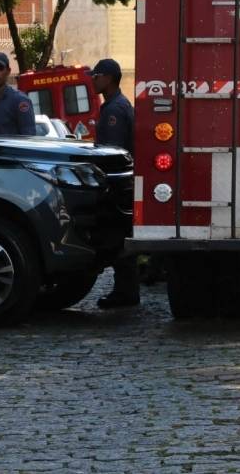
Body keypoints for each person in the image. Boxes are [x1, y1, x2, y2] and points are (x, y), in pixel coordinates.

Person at [90, 58, 139, 309]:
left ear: (108, 78)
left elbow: (112, 153)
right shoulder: (116, 105)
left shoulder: (114, 110)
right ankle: (126, 290)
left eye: (96, 76)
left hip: (117, 185)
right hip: (123, 184)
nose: (93, 80)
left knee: (118, 239)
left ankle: (126, 292)